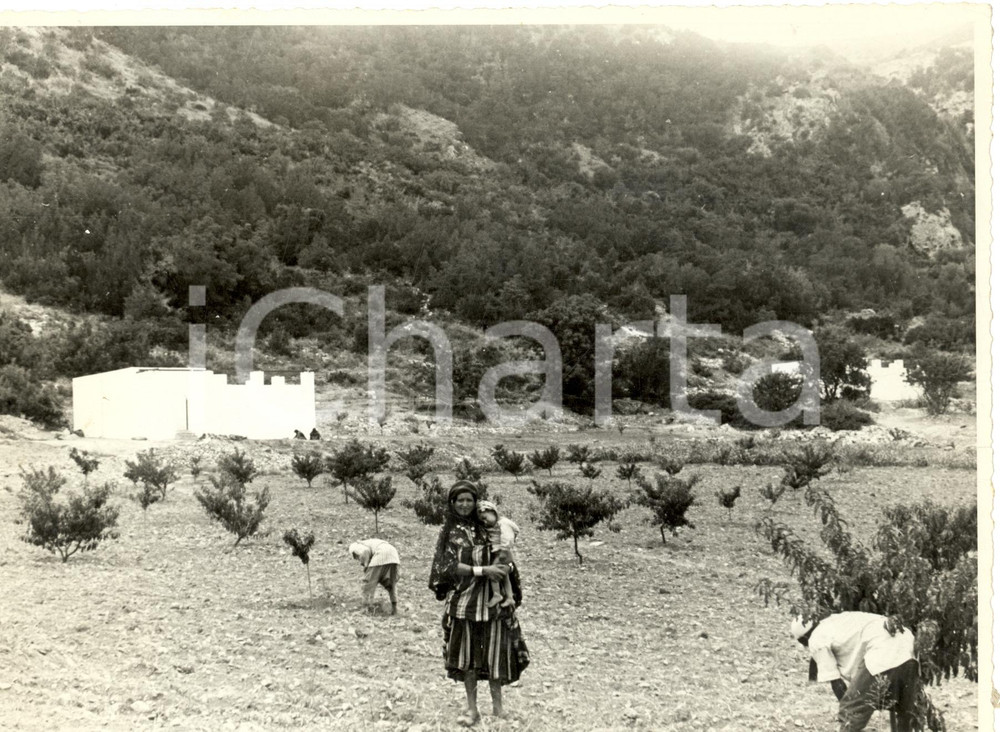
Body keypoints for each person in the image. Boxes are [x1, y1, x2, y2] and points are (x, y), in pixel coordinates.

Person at [428, 481, 530, 727]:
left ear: (476, 503)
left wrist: (505, 570)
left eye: (469, 500)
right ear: (452, 503)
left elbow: (505, 551)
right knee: (468, 660)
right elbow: (449, 567)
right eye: (460, 500)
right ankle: (472, 709)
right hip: (466, 604)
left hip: (494, 605)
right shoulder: (450, 533)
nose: (465, 504)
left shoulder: (487, 526)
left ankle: (498, 708)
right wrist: (484, 570)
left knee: (496, 656)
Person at [790, 612, 923, 732]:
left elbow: (836, 682)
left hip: (883, 651)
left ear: (804, 638)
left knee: (850, 712)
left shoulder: (816, 638)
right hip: (909, 647)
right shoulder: (835, 619)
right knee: (905, 713)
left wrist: (850, 704)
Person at [476, 500, 518, 608]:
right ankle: (510, 597)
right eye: (482, 520)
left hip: (502, 553)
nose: (484, 522)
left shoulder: (503, 523)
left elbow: (507, 536)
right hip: (500, 552)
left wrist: (504, 550)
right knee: (504, 575)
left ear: (493, 512)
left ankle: (496, 594)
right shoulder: (494, 525)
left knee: (494, 572)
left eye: (485, 518)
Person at [349, 538, 399, 614]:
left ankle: (366, 608)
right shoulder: (370, 542)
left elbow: (365, 551)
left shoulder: (355, 547)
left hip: (381, 553)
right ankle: (394, 609)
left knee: (368, 583)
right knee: (391, 584)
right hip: (393, 555)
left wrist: (366, 566)